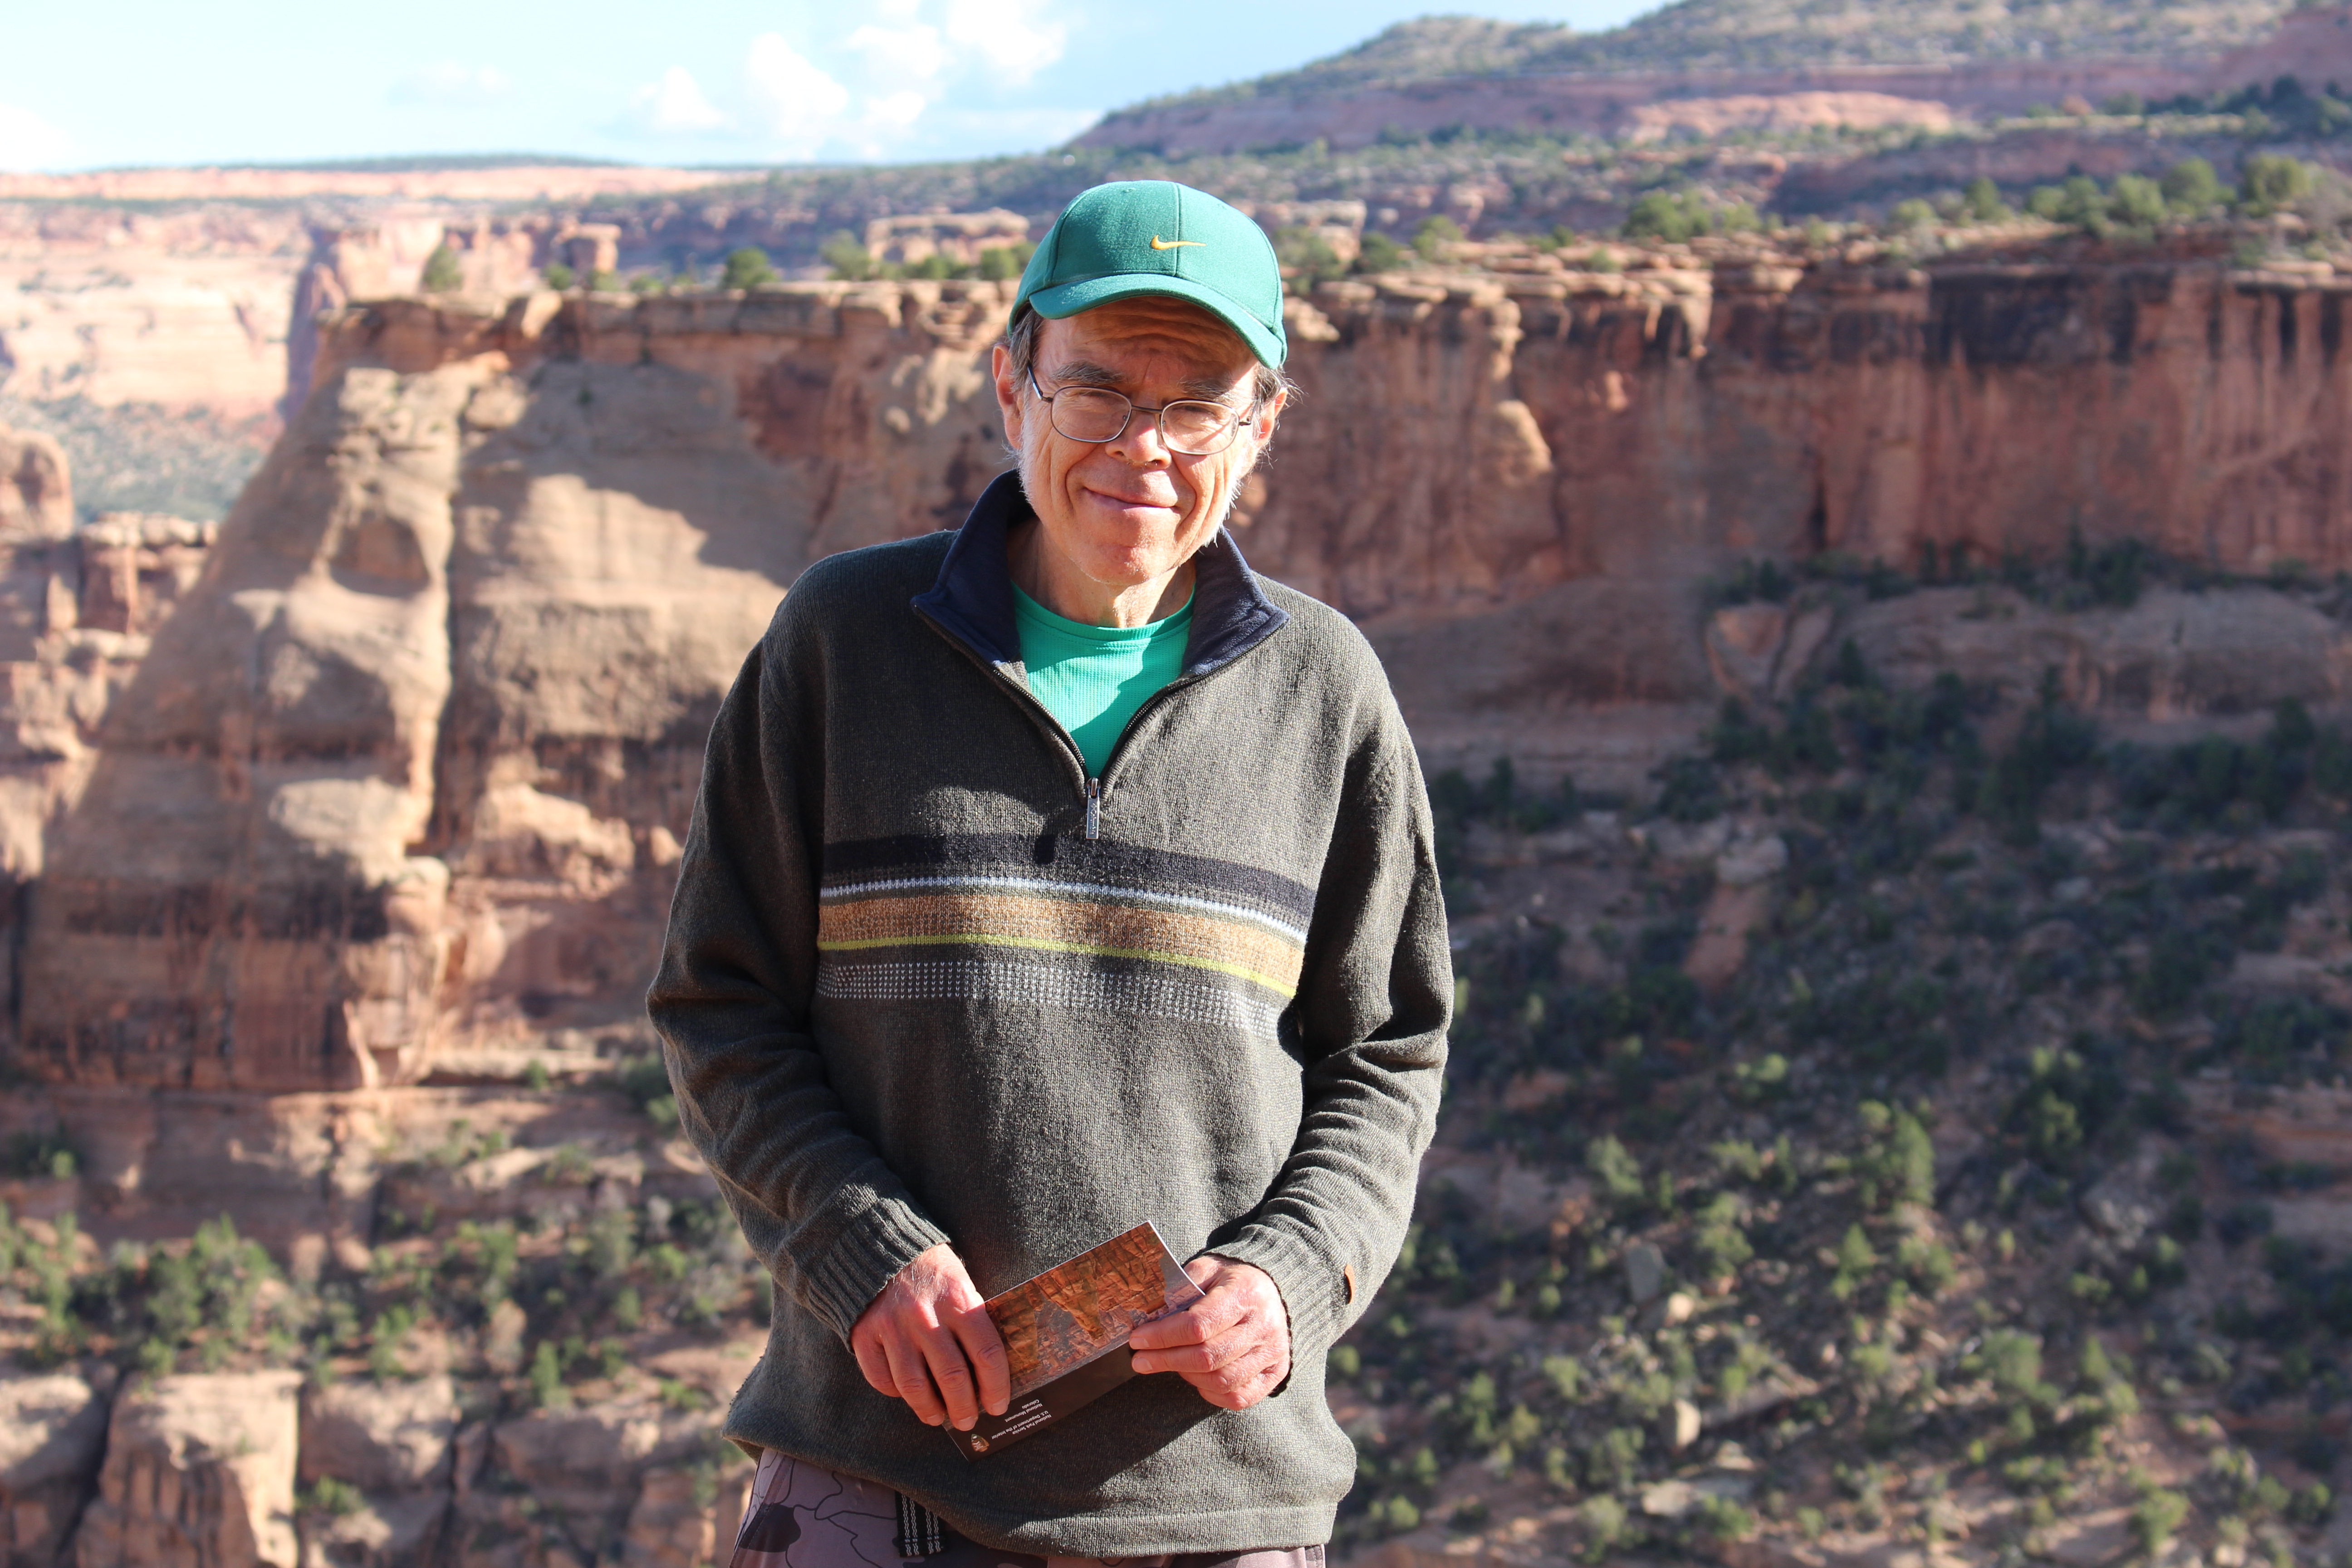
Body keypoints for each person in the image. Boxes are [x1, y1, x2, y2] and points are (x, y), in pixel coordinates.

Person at [648, 179, 1450, 1568]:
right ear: (1012, 384)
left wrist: (1292, 1277)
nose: (1145, 447)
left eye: (1197, 405)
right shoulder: (843, 644)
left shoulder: (1327, 691)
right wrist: (859, 1246)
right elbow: (721, 1006)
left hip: (1216, 1496)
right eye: (1098, 391)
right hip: (871, 1466)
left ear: (1261, 427)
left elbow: (1388, 1053)